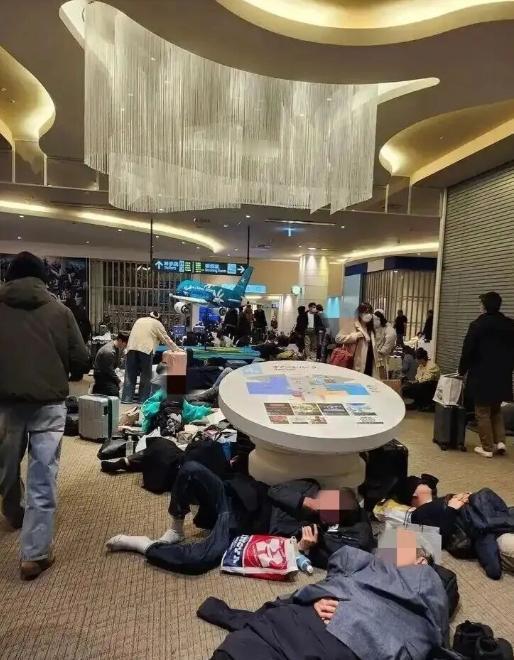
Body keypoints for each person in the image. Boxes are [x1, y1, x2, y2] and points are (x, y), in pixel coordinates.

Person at [202, 536, 448, 660]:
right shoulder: (375, 564)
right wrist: (323, 595)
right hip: (306, 619)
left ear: (421, 560)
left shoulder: (427, 577)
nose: (392, 551)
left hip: (351, 637)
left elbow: (430, 633)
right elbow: (342, 563)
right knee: (243, 646)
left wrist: (357, 622)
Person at [106, 463, 374, 575]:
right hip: (237, 496)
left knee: (198, 560)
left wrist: (303, 548)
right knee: (189, 469)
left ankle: (144, 545)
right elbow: (274, 491)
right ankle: (176, 527)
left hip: (242, 526)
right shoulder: (309, 487)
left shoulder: (322, 533)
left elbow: (336, 556)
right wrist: (308, 502)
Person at [0, 252, 90, 580]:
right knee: (43, 474)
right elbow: (81, 359)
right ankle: (34, 554)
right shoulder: (60, 311)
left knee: (6, 467)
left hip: (5, 403)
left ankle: (13, 511)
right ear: (43, 278)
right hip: (49, 403)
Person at [397, 474, 514, 580]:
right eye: (421, 483)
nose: (426, 483)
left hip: (493, 520)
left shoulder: (443, 499)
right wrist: (451, 510)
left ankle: (495, 522)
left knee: (484, 494)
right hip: (485, 536)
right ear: (414, 493)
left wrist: (469, 497)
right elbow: (436, 539)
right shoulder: (418, 514)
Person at [459, 291, 514, 458]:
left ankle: (487, 447)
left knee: (482, 411)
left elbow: (468, 350)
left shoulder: (478, 325)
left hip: (481, 375)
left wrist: (462, 370)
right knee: (496, 409)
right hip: (502, 375)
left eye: (480, 303)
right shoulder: (509, 324)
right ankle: (500, 442)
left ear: (484, 306)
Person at [122, 312, 180, 404]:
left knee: (129, 374)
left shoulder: (139, 320)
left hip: (131, 348)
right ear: (159, 319)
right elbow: (166, 339)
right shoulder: (157, 323)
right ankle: (142, 399)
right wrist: (177, 349)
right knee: (145, 376)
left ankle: (126, 398)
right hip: (145, 349)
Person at [335, 302, 377, 377]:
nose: (369, 315)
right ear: (360, 314)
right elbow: (338, 338)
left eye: (370, 312)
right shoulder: (352, 325)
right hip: (355, 362)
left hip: (369, 362)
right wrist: (355, 336)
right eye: (366, 312)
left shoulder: (371, 328)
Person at [92, 331, 129, 397]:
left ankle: (98, 389)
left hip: (107, 374)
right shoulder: (109, 351)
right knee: (114, 393)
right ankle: (97, 388)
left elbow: (114, 366)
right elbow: (109, 371)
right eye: (125, 344)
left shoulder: (116, 348)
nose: (125, 347)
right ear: (120, 341)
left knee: (118, 387)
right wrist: (118, 381)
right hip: (102, 376)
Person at [373, 310, 396, 378]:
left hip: (380, 357)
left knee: (380, 377)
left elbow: (392, 336)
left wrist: (383, 351)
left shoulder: (387, 327)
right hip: (374, 355)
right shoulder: (375, 326)